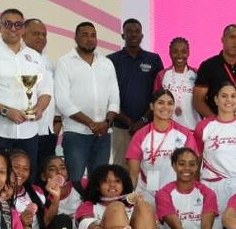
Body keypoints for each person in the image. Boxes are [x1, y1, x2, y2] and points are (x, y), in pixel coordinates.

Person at [0, 8, 52, 168]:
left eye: (18, 24)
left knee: (27, 178)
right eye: (8, 24)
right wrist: (5, 111)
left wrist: (39, 108)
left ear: (23, 29)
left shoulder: (35, 56)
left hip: (29, 132)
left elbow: (45, 90)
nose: (13, 28)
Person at [54, 21, 119, 192]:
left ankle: (93, 209)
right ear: (75, 37)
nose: (90, 39)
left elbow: (114, 99)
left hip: (103, 134)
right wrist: (91, 123)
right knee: (74, 181)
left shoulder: (106, 63)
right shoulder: (65, 62)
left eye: (93, 35)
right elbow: (62, 101)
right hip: (76, 134)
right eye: (85, 35)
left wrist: (106, 123)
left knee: (99, 182)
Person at [155, 147, 225, 229]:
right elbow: (176, 227)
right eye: (182, 164)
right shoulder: (164, 194)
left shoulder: (207, 193)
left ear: (197, 167)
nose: (187, 168)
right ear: (174, 165)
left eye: (192, 164)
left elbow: (206, 227)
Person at [195, 82, 236, 222]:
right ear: (216, 100)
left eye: (233, 96)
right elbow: (197, 159)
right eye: (224, 96)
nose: (229, 99)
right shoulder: (204, 126)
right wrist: (196, 186)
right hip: (212, 186)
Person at [127, 89, 198, 203]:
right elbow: (133, 174)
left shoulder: (185, 134)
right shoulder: (140, 135)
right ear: (152, 106)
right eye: (160, 102)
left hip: (175, 194)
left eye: (170, 103)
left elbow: (192, 169)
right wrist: (129, 200)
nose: (165, 107)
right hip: (147, 193)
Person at [108, 18, 163, 164]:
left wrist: (143, 120)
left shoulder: (153, 59)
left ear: (142, 35)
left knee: (150, 169)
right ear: (123, 35)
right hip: (121, 127)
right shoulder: (111, 60)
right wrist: (127, 121)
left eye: (137, 31)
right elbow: (108, 96)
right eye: (129, 31)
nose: (133, 34)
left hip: (149, 126)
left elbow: (159, 95)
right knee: (121, 170)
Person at [194, 24, 236, 121]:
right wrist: (216, 122)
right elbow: (197, 100)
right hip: (217, 127)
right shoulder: (208, 66)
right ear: (223, 39)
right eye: (232, 37)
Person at [22, 19, 59, 169]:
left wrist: (56, 124)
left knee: (45, 174)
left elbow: (51, 93)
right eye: (36, 33)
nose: (41, 38)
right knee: (27, 172)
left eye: (44, 34)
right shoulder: (18, 59)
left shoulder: (47, 60)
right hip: (27, 129)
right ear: (23, 34)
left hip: (48, 130)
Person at [155, 36, 197, 126]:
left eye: (183, 51)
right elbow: (155, 102)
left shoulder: (197, 74)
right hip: (168, 129)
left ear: (188, 53)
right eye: (175, 51)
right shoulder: (162, 75)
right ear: (170, 53)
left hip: (192, 128)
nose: (179, 55)